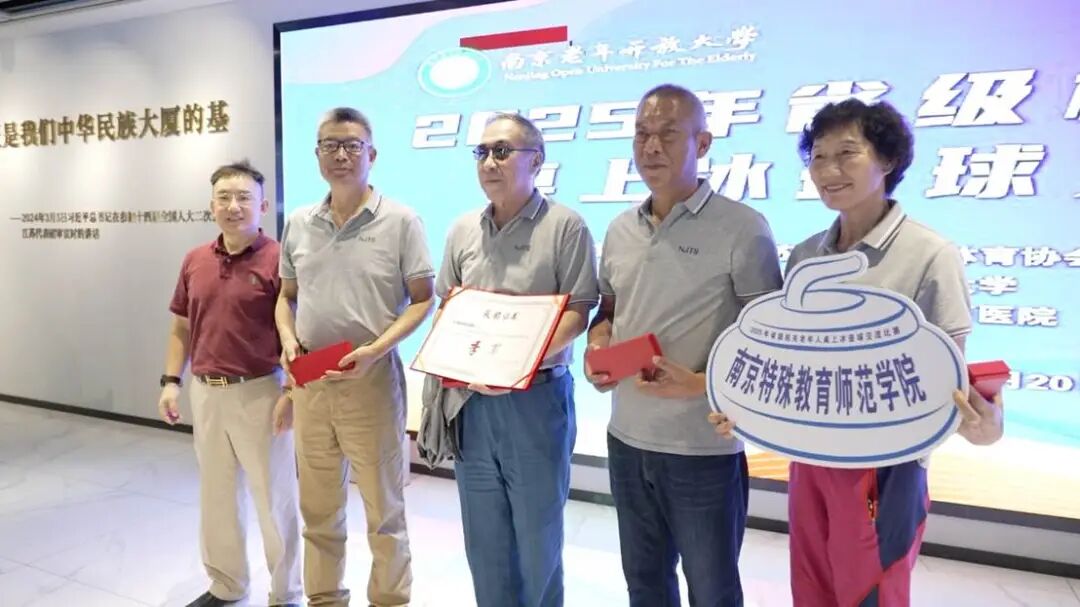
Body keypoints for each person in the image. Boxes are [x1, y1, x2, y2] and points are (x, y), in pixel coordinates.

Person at [708, 98, 1005, 606]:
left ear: (888, 160)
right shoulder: (807, 255)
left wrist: (985, 421)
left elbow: (946, 375)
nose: (829, 171)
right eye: (819, 157)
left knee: (870, 593)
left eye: (847, 153)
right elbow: (788, 362)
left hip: (887, 465)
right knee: (811, 587)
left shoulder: (931, 254)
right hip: (810, 456)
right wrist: (746, 410)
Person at [584, 83, 783, 607]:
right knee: (645, 583)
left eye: (668, 134)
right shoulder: (620, 228)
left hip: (702, 449)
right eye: (642, 134)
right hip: (627, 440)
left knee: (713, 591)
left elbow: (770, 339)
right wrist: (598, 345)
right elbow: (609, 310)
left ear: (703, 142)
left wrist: (698, 383)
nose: (651, 147)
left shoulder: (743, 228)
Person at [435, 112, 599, 607]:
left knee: (537, 536)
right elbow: (447, 306)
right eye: (482, 152)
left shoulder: (566, 226)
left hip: (535, 400)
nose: (490, 162)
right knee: (483, 539)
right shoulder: (463, 229)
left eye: (502, 151)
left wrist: (516, 361)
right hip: (471, 404)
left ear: (537, 160)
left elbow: (578, 311)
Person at [276, 107, 435, 607]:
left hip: (371, 381)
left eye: (352, 145)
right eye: (330, 145)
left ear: (372, 154)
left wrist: (376, 350)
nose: (341, 155)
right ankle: (325, 598)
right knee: (318, 511)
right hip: (311, 382)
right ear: (317, 154)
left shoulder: (401, 221)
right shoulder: (299, 222)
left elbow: (424, 299)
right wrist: (286, 337)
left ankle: (390, 599)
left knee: (384, 513)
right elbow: (286, 296)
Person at [158, 160, 302, 607]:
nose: (233, 206)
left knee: (275, 499)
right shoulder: (195, 260)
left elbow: (299, 333)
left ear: (263, 206)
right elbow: (181, 327)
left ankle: (287, 593)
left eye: (244, 198)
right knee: (217, 496)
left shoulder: (280, 259)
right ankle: (227, 585)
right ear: (211, 205)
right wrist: (171, 381)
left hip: (262, 391)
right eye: (224, 197)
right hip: (206, 391)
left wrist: (291, 392)